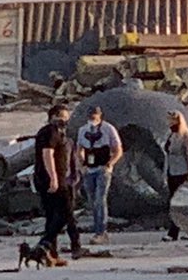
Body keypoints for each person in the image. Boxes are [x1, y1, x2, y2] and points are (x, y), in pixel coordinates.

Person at [34, 102, 81, 258]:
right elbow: (47, 154)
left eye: (67, 118)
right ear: (52, 117)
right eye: (61, 117)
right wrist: (53, 178)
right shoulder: (50, 132)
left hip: (63, 178)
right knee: (66, 213)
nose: (65, 120)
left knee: (54, 214)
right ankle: (56, 243)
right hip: (55, 180)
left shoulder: (64, 136)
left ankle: (50, 250)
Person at [76, 106, 124, 244]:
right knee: (92, 201)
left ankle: (101, 231)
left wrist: (110, 164)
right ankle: (97, 228)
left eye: (95, 116)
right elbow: (79, 150)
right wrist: (81, 165)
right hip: (89, 169)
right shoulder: (83, 130)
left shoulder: (108, 129)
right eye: (90, 115)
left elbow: (118, 149)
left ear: (100, 115)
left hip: (102, 168)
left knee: (100, 199)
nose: (92, 118)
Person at [162, 108, 188, 240]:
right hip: (171, 172)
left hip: (182, 172)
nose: (171, 123)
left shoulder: (185, 135)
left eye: (173, 120)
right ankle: (175, 231)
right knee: (173, 203)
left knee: (182, 203)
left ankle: (178, 232)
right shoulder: (171, 135)